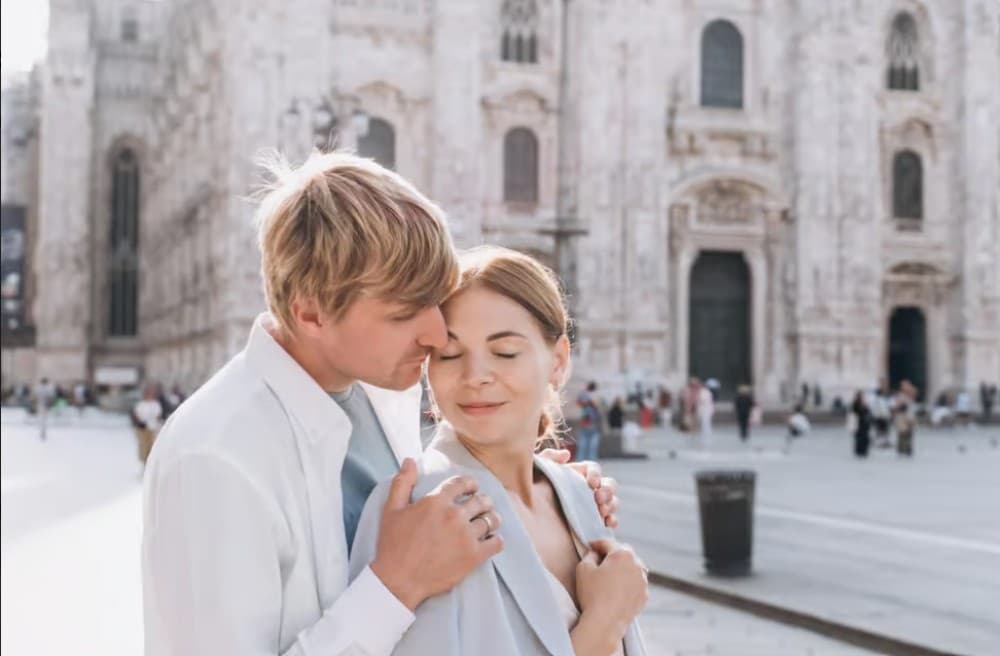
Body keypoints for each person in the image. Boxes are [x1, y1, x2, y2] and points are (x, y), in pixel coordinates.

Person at [141, 151, 619, 655]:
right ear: (311, 313)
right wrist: (396, 584)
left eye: (437, 301)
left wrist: (545, 491)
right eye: (404, 314)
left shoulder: (370, 388)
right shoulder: (215, 458)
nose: (437, 334)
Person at [351, 247, 647, 655]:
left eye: (505, 352)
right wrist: (602, 625)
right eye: (449, 355)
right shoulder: (420, 507)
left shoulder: (579, 493)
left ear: (558, 361)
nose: (475, 377)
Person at [133, 384, 164, 466]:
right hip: (143, 428)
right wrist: (141, 421)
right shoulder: (141, 405)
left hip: (152, 428)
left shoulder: (155, 404)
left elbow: (158, 415)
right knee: (143, 446)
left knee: (151, 446)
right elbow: (137, 415)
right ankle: (144, 463)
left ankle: (150, 463)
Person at [575, 381, 603, 461]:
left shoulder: (589, 398)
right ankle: (582, 462)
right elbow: (579, 401)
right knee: (584, 446)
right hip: (587, 425)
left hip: (593, 426)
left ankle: (589, 462)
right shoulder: (586, 399)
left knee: (591, 447)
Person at [851, 391, 872, 458]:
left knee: (865, 438)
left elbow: (868, 412)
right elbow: (855, 413)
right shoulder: (855, 404)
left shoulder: (865, 404)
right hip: (858, 423)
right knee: (859, 438)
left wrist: (865, 406)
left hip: (865, 424)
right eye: (862, 396)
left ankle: (864, 450)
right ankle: (859, 451)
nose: (863, 398)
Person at [34, 377, 55, 441]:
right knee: (44, 419)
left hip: (41, 404)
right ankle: (43, 431)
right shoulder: (49, 388)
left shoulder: (39, 388)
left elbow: (36, 396)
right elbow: (51, 396)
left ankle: (42, 431)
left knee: (42, 419)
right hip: (45, 405)